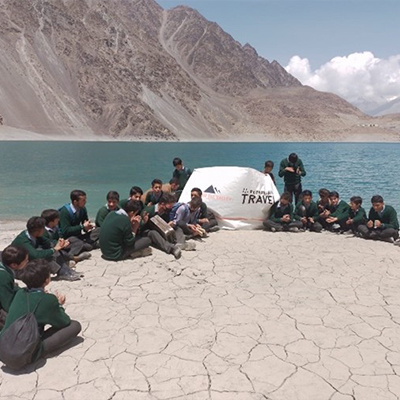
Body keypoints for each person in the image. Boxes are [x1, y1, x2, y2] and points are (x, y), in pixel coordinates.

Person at [0, 259, 81, 363]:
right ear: (47, 280)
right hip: (21, 356)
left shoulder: (20, 293)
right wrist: (58, 305)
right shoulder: (47, 300)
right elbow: (64, 322)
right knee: (74, 325)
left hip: (3, 347)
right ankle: (38, 352)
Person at [12, 217, 80, 281]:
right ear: (38, 231)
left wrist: (60, 244)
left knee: (52, 250)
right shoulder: (23, 240)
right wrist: (54, 249)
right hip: (18, 269)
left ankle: (66, 270)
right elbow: (36, 255)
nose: (44, 230)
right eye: (43, 228)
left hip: (27, 262)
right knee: (43, 254)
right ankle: (62, 272)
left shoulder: (33, 234)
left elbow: (48, 242)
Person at [141, 193, 182, 259]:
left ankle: (180, 242)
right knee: (153, 233)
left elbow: (167, 220)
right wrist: (144, 221)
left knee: (178, 228)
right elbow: (140, 226)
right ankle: (171, 248)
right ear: (162, 204)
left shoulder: (165, 211)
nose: (170, 208)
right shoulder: (149, 210)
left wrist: (169, 224)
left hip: (162, 229)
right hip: (148, 231)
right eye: (169, 206)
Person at [0, 245, 29, 330]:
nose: (27, 262)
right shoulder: (3, 276)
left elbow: (12, 287)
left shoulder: (5, 268)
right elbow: (8, 304)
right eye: (25, 260)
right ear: (14, 265)